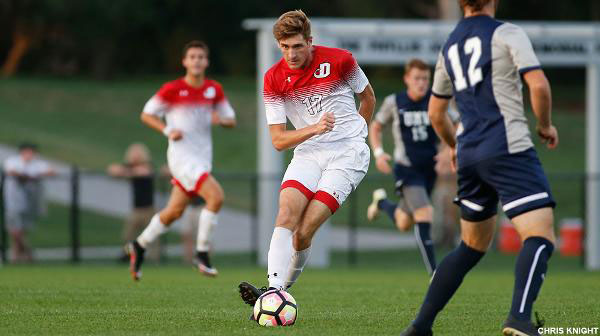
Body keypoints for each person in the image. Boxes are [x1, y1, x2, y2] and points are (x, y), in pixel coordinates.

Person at [399, 1, 558, 335]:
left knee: (471, 246)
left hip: (470, 154)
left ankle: (420, 326)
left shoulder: (451, 45)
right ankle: (519, 319)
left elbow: (435, 113)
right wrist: (545, 125)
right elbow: (539, 85)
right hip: (507, 147)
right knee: (540, 236)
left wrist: (456, 147)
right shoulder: (506, 32)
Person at [237, 10, 375, 312]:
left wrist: (357, 135)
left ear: (310, 42)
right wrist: (314, 129)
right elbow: (277, 140)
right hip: (308, 152)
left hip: (347, 154)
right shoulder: (273, 78)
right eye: (284, 47)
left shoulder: (341, 60)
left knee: (304, 231)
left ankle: (279, 290)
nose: (291, 53)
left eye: (297, 46)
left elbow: (368, 98)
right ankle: (272, 291)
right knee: (286, 212)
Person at [126, 40, 236, 280]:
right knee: (216, 197)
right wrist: (167, 130)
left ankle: (139, 245)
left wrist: (220, 119)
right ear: (185, 62)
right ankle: (202, 253)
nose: (196, 60)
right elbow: (146, 114)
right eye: (192, 57)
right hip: (182, 159)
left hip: (202, 159)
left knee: (173, 212)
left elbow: (231, 120)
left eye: (200, 57)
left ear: (206, 62)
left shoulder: (213, 90)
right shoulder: (172, 89)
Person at [366, 59, 457, 276]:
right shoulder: (394, 102)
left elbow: (458, 123)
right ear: (407, 79)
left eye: (425, 78)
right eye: (417, 78)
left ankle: (382, 203)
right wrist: (378, 153)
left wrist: (448, 150)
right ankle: (435, 274)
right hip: (406, 168)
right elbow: (376, 126)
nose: (422, 83)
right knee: (425, 213)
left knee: (404, 222)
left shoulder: (436, 101)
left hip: (429, 170)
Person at [3, 143, 56, 262]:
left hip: (32, 201)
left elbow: (51, 172)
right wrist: (26, 176)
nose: (30, 155)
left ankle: (16, 256)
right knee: (14, 228)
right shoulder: (13, 161)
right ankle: (27, 252)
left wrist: (35, 176)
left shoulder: (38, 164)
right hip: (14, 200)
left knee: (23, 229)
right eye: (27, 152)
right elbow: (11, 172)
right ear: (22, 152)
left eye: (32, 152)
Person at [107, 143, 160, 262]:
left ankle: (154, 259)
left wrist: (127, 172)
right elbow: (112, 169)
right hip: (136, 209)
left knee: (152, 236)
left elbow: (144, 172)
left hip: (149, 209)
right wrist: (127, 171)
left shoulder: (148, 165)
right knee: (127, 235)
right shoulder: (129, 167)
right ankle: (128, 256)